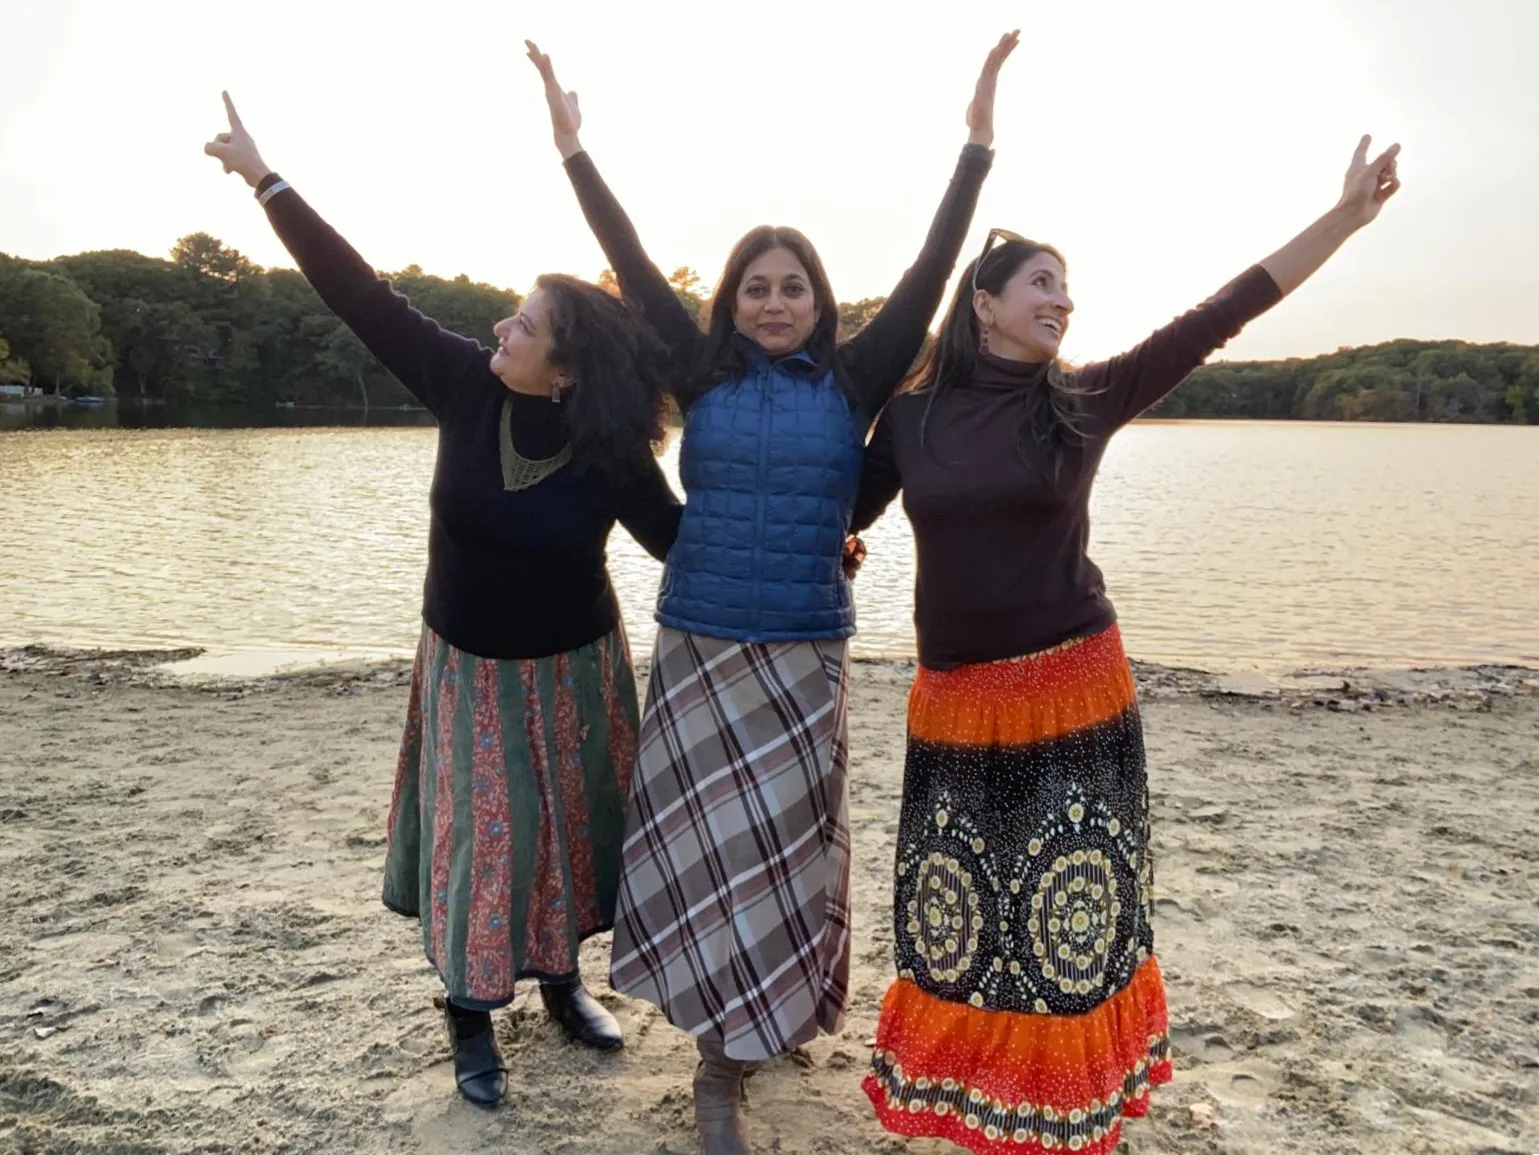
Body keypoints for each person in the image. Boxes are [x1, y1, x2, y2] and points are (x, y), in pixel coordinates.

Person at [849, 136, 1402, 1154]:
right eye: (1041, 284)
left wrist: (1345, 219)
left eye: (1068, 288)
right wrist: (825, 549)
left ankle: (1066, 1116)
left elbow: (1223, 313)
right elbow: (845, 513)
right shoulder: (911, 418)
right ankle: (982, 1107)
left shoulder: (1083, 402)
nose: (1062, 301)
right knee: (962, 917)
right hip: (956, 703)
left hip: (1074, 696)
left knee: (1068, 917)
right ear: (985, 303)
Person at [526, 33, 1016, 1154]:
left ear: (820, 301)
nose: (775, 301)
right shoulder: (700, 374)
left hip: (803, 650)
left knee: (786, 850)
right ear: (734, 303)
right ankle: (715, 1067)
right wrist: (573, 150)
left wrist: (975, 149)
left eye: (793, 287)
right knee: (707, 851)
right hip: (700, 645)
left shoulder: (856, 377)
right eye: (757, 287)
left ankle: (762, 1024)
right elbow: (633, 259)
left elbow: (938, 272)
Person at [204, 92, 686, 1109]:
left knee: (565, 835)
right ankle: (470, 1018)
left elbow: (684, 545)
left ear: (566, 369)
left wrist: (815, 546)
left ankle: (560, 986)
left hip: (574, 669)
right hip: (468, 668)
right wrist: (264, 177)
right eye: (511, 314)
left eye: (525, 323)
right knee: (481, 847)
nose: (500, 326)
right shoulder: (463, 382)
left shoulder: (609, 450)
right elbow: (356, 291)